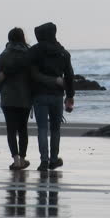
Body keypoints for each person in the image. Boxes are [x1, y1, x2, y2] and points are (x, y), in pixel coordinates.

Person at [0, 27, 60, 170]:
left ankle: (16, 160)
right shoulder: (30, 54)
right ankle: (23, 158)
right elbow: (33, 77)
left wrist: (3, 93)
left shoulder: (4, 55)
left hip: (8, 98)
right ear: (23, 38)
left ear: (9, 39)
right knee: (22, 129)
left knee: (11, 130)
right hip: (25, 98)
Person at [29, 22, 75, 171]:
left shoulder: (35, 51)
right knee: (55, 129)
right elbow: (69, 75)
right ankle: (54, 160)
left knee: (42, 128)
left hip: (39, 94)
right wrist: (70, 96)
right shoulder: (63, 52)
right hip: (57, 95)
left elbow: (31, 73)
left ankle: (44, 161)